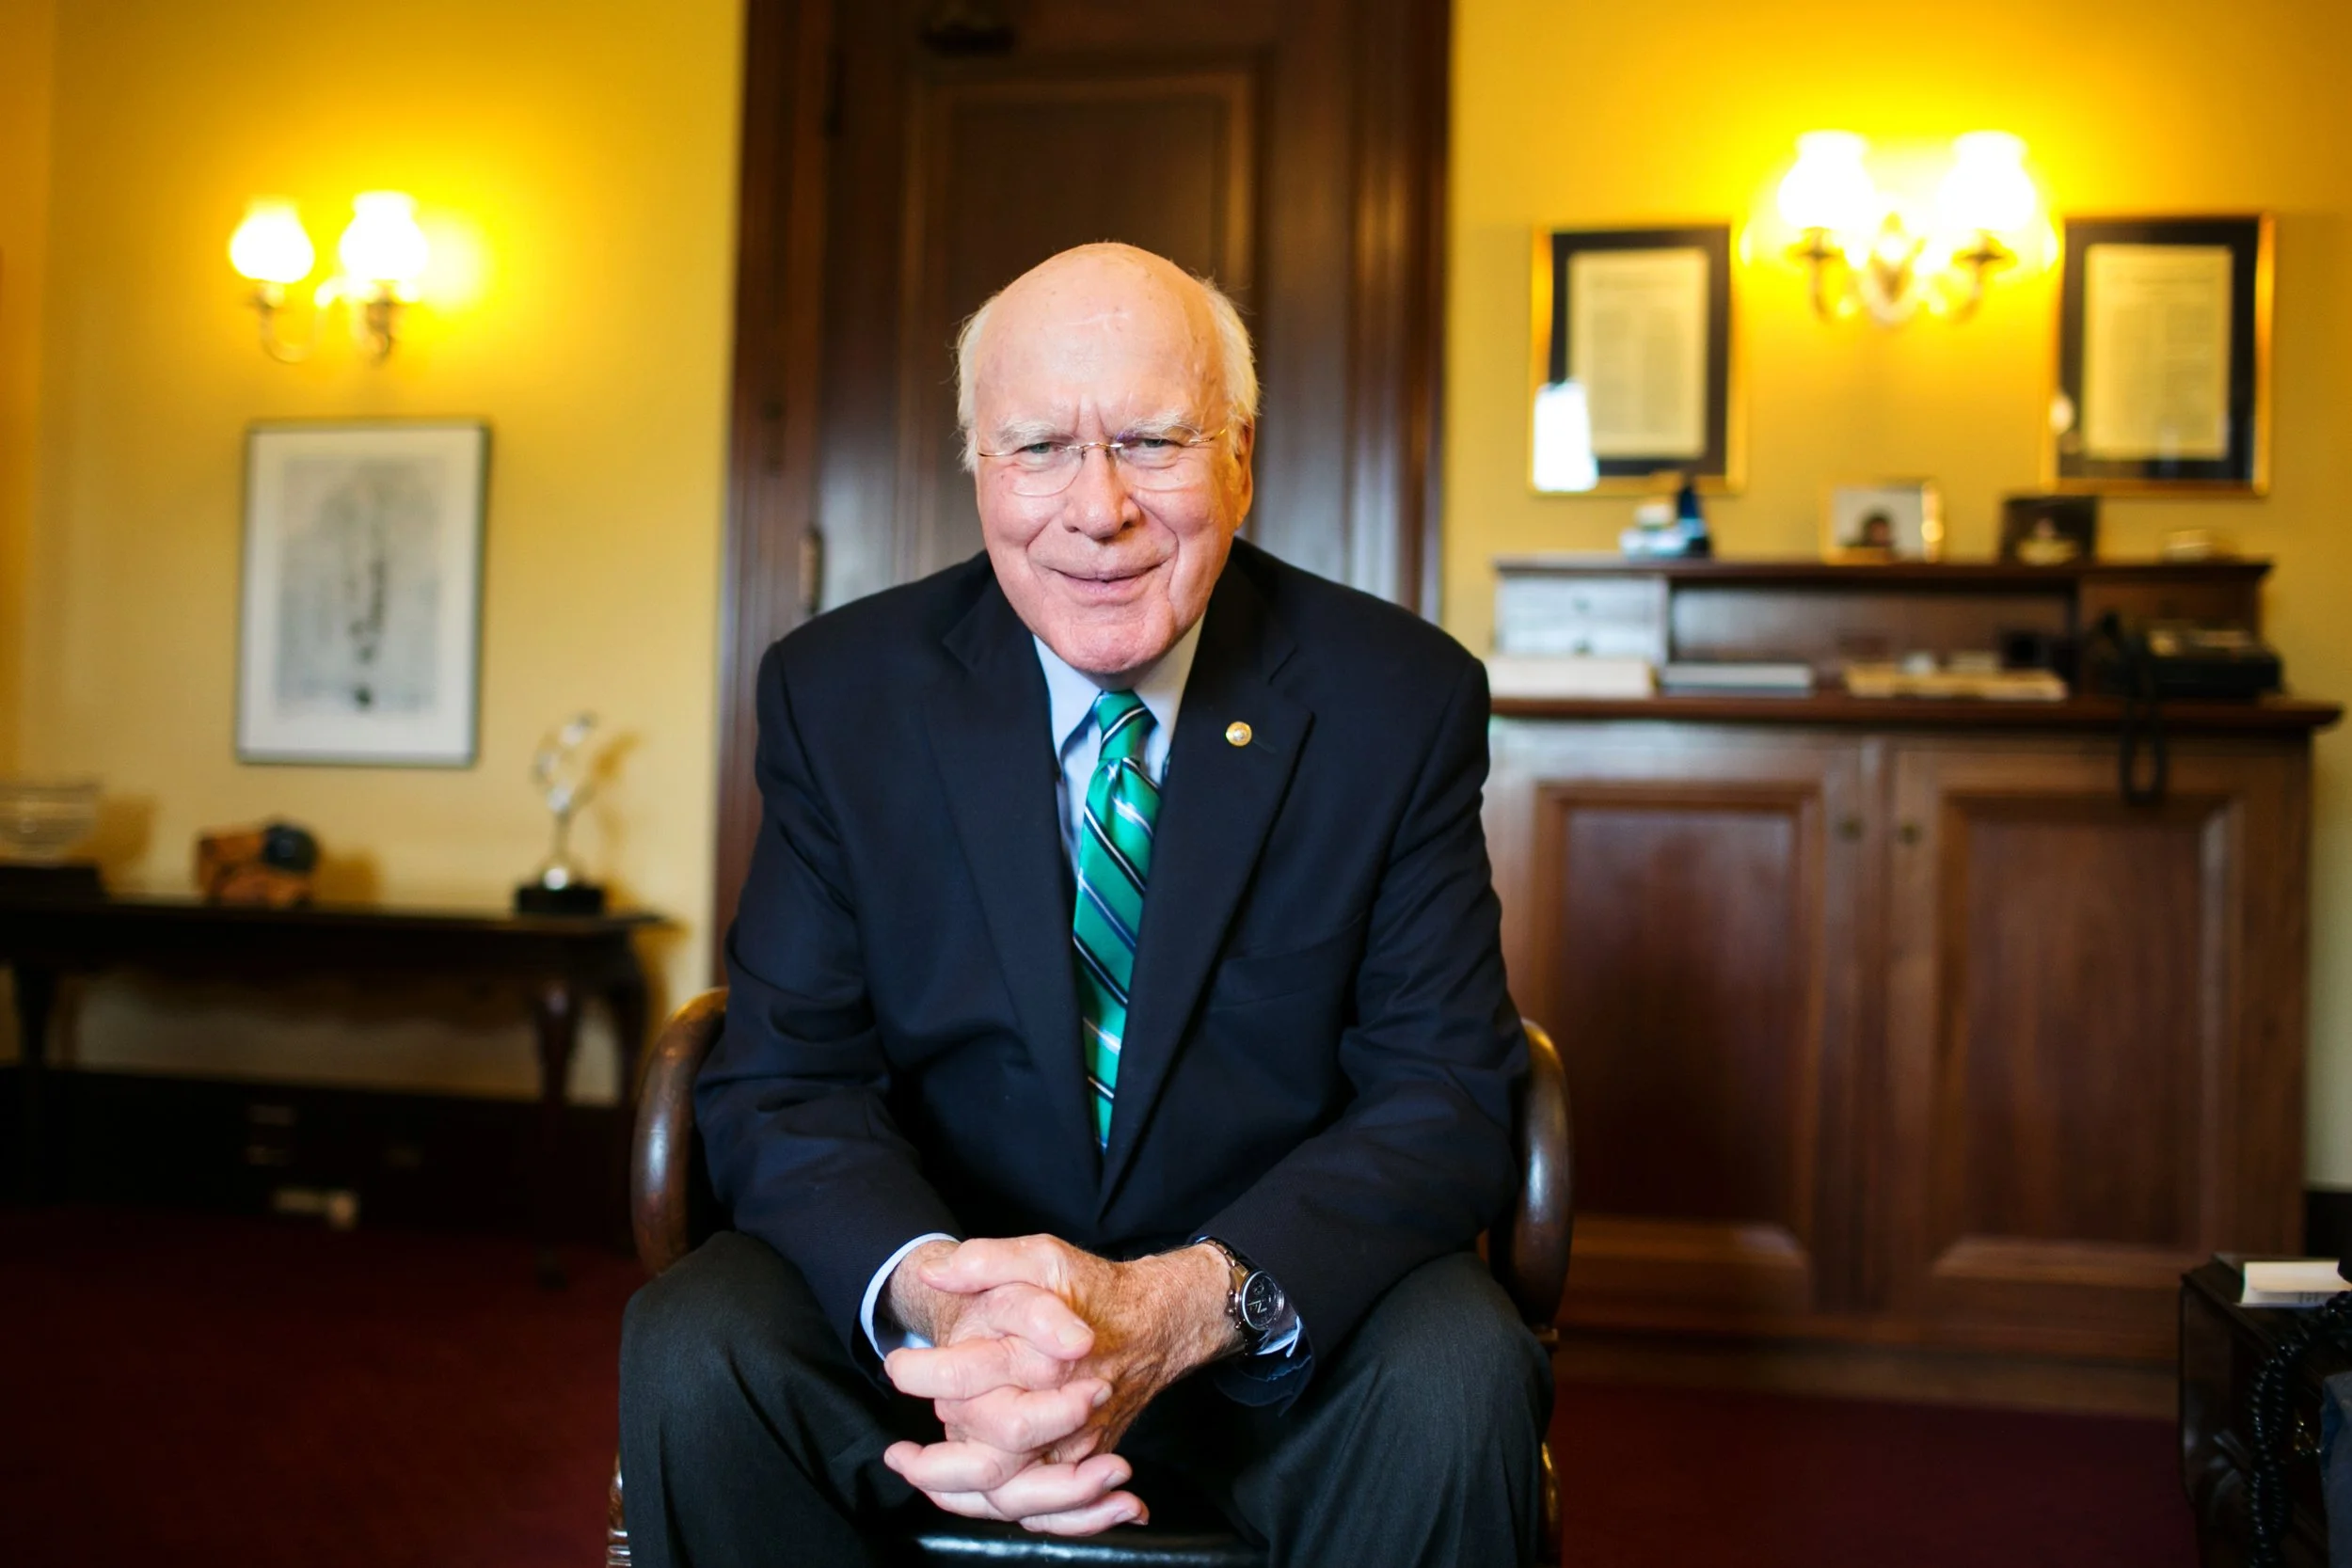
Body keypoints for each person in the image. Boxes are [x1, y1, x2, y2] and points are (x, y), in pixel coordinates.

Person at [619, 242, 1549, 1567]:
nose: (1096, 507)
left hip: (1257, 1335)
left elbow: (1442, 1090)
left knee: (1462, 1369)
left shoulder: (1395, 699)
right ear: (979, 467)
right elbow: (786, 1077)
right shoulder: (840, 694)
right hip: (947, 1336)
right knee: (696, 1341)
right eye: (1040, 446)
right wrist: (944, 1303)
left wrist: (1185, 1304)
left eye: (1154, 441)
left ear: (1240, 457)